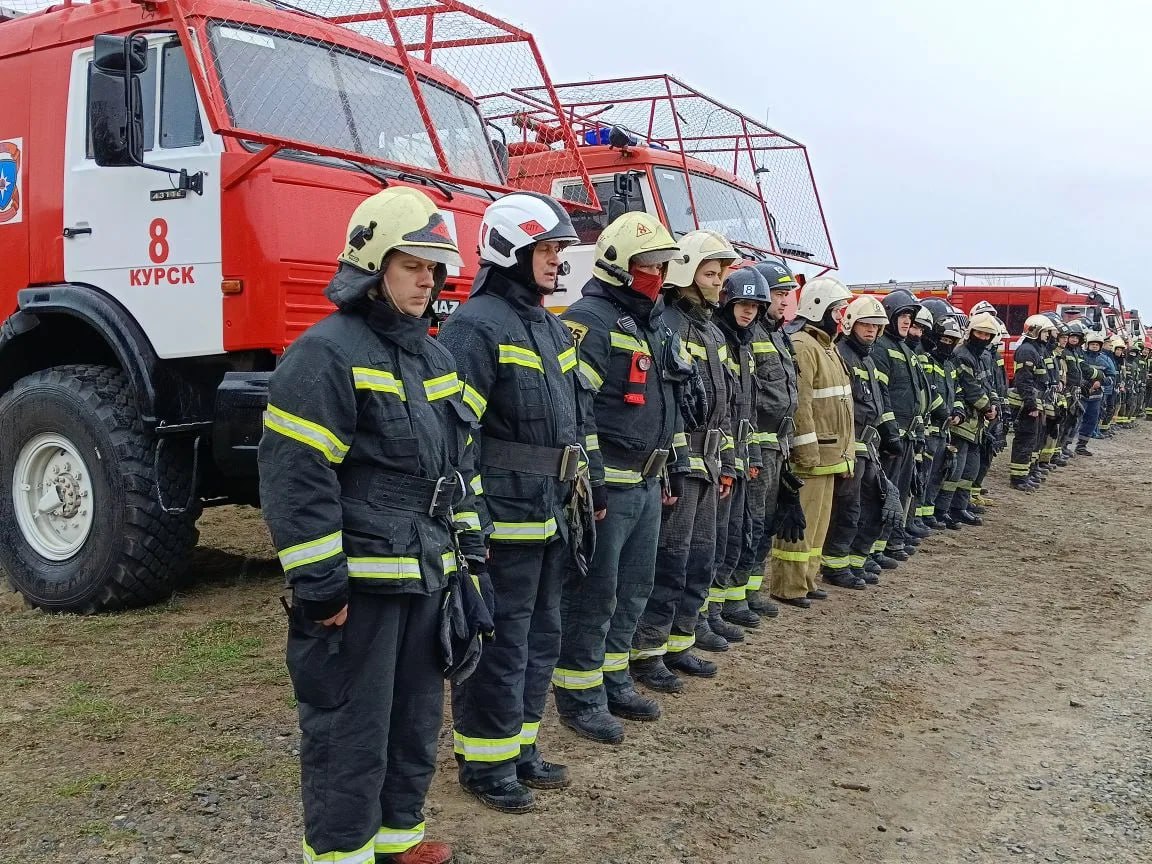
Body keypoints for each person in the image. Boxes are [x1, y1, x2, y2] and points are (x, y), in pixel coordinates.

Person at [259, 187, 487, 864]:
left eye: (434, 268)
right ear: (371, 263)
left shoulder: (434, 358)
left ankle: (396, 842)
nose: (427, 280)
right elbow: (298, 478)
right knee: (349, 731)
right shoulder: (324, 354)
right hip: (359, 590)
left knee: (414, 722)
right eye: (413, 265)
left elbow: (457, 466)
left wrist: (470, 550)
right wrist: (321, 584)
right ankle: (343, 855)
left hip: (427, 573)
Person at [438, 192, 586, 813]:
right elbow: (456, 434)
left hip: (551, 514)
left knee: (541, 638)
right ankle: (485, 762)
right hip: (503, 519)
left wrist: (586, 488)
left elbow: (575, 417)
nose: (557, 261)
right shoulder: (474, 326)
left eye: (559, 250)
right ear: (509, 250)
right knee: (500, 643)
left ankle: (520, 748)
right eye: (546, 249)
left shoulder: (551, 326)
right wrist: (471, 522)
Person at [553, 213, 689, 743]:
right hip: (609, 484)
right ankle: (581, 697)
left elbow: (670, 402)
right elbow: (576, 410)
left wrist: (672, 466)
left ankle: (613, 680)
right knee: (595, 595)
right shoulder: (589, 321)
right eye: (648, 264)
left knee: (634, 589)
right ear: (617, 265)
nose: (658, 274)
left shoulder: (654, 323)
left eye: (662, 264)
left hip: (648, 481)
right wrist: (592, 484)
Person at [631, 230, 739, 690]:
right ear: (686, 274)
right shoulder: (669, 325)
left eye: (720, 274)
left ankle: (681, 641)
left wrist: (728, 462)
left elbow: (728, 405)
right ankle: (647, 652)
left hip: (710, 464)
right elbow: (667, 403)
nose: (718, 282)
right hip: (682, 463)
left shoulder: (713, 332)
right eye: (710, 273)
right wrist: (672, 466)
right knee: (669, 561)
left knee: (700, 557)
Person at [769, 276, 854, 609]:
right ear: (819, 309)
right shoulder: (804, 346)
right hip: (813, 455)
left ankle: (807, 579)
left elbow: (841, 405)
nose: (841, 317)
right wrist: (805, 451)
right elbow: (801, 405)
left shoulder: (828, 347)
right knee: (800, 526)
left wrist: (846, 453)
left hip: (831, 453)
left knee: (817, 527)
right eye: (837, 311)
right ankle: (789, 586)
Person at [735, 260, 800, 617]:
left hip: (778, 445)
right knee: (751, 522)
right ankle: (735, 596)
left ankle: (750, 591)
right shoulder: (753, 334)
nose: (783, 300)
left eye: (786, 294)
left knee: (767, 522)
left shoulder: (778, 335)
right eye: (777, 293)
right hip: (757, 445)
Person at [821, 295, 899, 589]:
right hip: (851, 446)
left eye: (876, 326)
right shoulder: (843, 355)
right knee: (848, 508)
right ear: (851, 323)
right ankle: (835, 565)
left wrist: (889, 432)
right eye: (865, 324)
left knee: (872, 505)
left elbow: (879, 401)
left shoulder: (868, 358)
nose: (871, 330)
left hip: (869, 446)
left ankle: (855, 560)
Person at [710, 267, 772, 630]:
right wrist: (728, 461)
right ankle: (706, 614)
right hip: (720, 459)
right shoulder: (718, 339)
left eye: (755, 306)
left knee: (736, 536)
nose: (749, 311)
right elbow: (722, 411)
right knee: (715, 541)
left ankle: (716, 610)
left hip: (742, 458)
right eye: (742, 304)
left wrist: (752, 457)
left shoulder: (744, 347)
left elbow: (748, 411)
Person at [871, 289, 930, 560]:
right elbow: (882, 395)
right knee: (883, 495)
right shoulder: (882, 348)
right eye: (902, 315)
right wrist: (890, 433)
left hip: (907, 436)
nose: (907, 321)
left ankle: (889, 543)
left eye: (909, 316)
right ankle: (873, 550)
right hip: (889, 438)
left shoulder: (905, 349)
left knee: (901, 491)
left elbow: (916, 394)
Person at [937, 312, 998, 511]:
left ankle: (960, 507)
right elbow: (970, 388)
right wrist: (988, 408)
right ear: (970, 332)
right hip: (962, 423)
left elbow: (987, 385)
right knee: (955, 470)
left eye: (987, 335)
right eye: (979, 333)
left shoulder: (981, 357)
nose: (983, 338)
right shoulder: (962, 355)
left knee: (970, 469)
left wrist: (994, 405)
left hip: (976, 423)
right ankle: (945, 509)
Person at [1006, 314, 1054, 491]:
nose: (1048, 336)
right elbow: (1024, 380)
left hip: (1035, 402)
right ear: (1035, 331)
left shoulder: (1035, 349)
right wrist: (1031, 404)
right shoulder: (1027, 350)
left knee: (1033, 439)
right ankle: (1018, 478)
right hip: (1026, 404)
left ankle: (1027, 473)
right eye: (1046, 332)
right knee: (1025, 440)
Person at [1078, 331, 1113, 447]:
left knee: (1091, 421)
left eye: (1097, 344)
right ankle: (1065, 445)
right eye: (1092, 344)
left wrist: (1101, 382)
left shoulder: (1104, 360)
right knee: (1075, 420)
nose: (1094, 346)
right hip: (1081, 395)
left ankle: (1081, 446)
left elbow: (1111, 378)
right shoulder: (1081, 356)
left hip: (1096, 397)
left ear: (1100, 346)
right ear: (1087, 345)